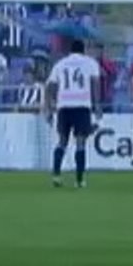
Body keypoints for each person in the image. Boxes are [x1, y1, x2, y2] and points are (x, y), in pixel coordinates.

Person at [44, 39, 102, 189]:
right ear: (83, 50)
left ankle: (56, 175)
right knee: (81, 142)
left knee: (62, 141)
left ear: (70, 50)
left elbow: (50, 86)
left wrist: (49, 108)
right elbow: (95, 86)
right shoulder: (90, 63)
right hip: (82, 106)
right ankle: (79, 180)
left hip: (64, 106)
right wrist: (97, 108)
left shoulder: (61, 64)